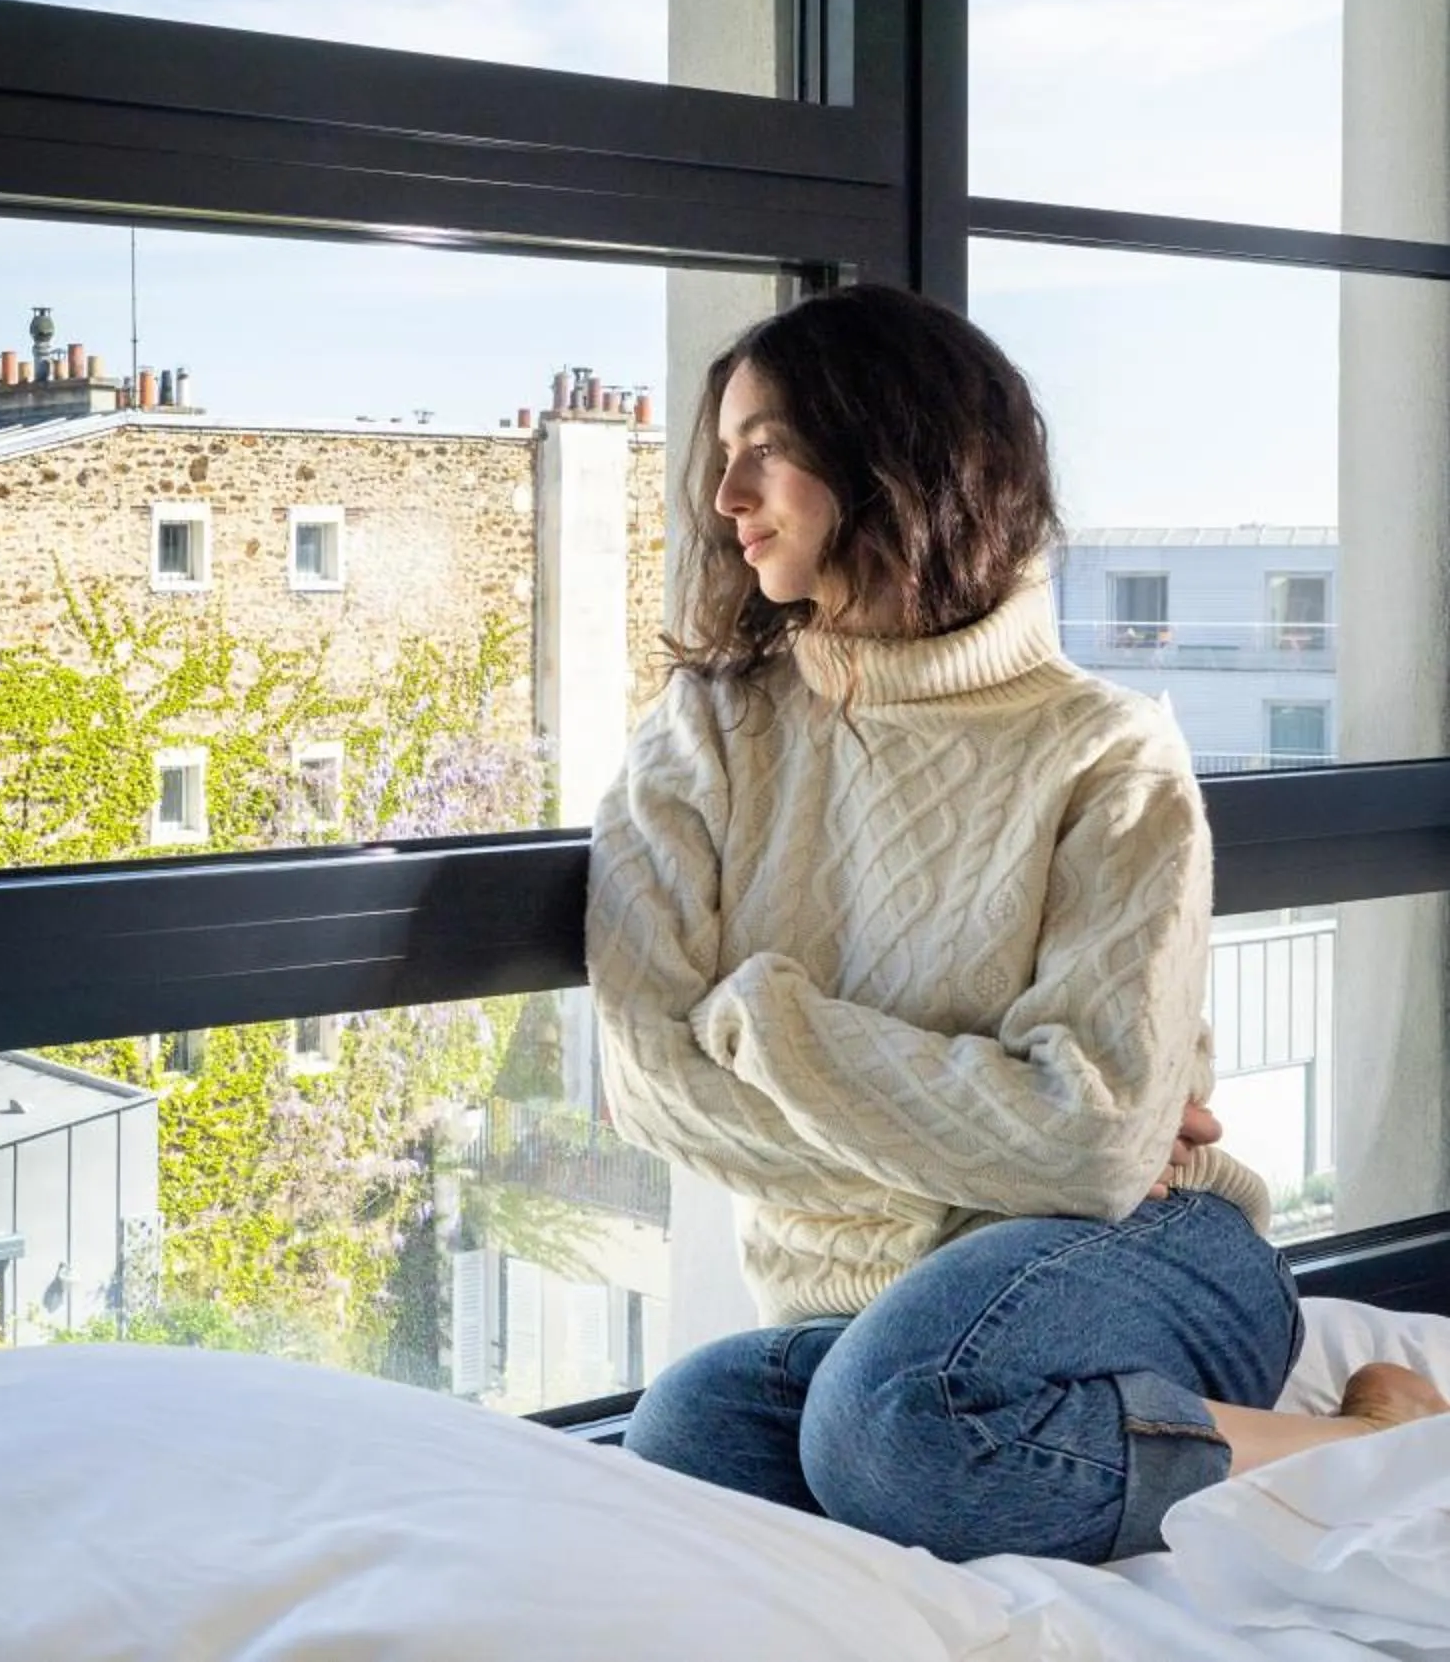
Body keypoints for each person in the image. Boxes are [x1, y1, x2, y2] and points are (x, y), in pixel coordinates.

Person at [587, 284, 1444, 1566]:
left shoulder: (1110, 756)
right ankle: (1299, 1442)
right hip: (871, 1317)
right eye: (722, 457)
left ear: (891, 452)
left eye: (764, 446)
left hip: (1145, 1260)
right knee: (686, 1436)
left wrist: (765, 1025)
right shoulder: (707, 733)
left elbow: (1097, 1156)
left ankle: (1357, 1442)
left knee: (888, 1421)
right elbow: (649, 1087)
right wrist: (1014, 1135)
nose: (727, 496)